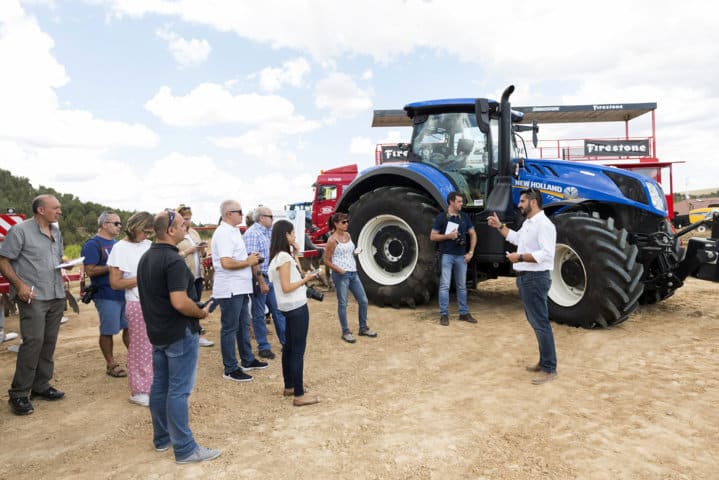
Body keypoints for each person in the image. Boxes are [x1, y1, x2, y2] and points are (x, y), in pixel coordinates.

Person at [137, 209, 220, 464]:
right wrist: (201, 313)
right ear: (171, 230)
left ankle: (162, 438)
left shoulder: (147, 257)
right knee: (178, 391)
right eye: (183, 224)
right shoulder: (172, 261)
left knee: (160, 386)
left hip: (159, 332)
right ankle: (185, 449)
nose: (187, 227)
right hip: (178, 331)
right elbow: (180, 302)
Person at [0, 195, 66, 415]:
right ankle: (19, 394)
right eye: (55, 208)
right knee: (33, 342)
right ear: (40, 210)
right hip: (33, 296)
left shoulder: (56, 231)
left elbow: (51, 259)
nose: (59, 212)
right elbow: (3, 260)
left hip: (56, 293)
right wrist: (19, 285)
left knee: (48, 342)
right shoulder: (20, 231)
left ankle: (40, 386)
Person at [488, 188, 558, 385]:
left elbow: (546, 254)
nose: (519, 205)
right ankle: (544, 362)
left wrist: (518, 257)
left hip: (535, 279)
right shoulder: (529, 223)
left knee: (541, 323)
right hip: (526, 278)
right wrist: (498, 226)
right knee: (536, 322)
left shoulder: (544, 225)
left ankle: (549, 368)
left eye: (522, 201)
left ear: (533, 202)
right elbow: (517, 239)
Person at [211, 200, 267, 382]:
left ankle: (247, 359)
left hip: (240, 287)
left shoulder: (233, 231)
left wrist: (251, 260)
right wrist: (248, 262)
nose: (243, 215)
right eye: (239, 211)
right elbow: (226, 262)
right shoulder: (223, 233)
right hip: (230, 289)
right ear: (228, 214)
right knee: (230, 327)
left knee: (243, 325)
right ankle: (230, 368)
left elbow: (237, 258)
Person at [268, 220, 320, 406]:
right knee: (297, 351)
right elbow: (287, 286)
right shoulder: (283, 258)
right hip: (296, 306)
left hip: (288, 307)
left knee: (289, 348)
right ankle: (299, 394)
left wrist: (296, 254)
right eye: (292, 233)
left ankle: (289, 385)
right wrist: (306, 278)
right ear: (285, 235)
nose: (295, 236)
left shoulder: (280, 256)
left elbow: (294, 274)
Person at [107, 212, 155, 406]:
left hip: (154, 302)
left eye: (151, 233)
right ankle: (139, 391)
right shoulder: (119, 249)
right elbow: (115, 283)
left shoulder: (149, 246)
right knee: (140, 348)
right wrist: (144, 278)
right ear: (136, 227)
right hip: (136, 303)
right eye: (146, 232)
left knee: (153, 347)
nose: (148, 236)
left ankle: (152, 385)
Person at [81, 211, 129, 378]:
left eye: (120, 223)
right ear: (104, 224)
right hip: (106, 294)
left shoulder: (117, 244)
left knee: (129, 327)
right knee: (108, 330)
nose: (120, 226)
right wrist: (112, 267)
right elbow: (90, 270)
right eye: (116, 223)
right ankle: (111, 364)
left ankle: (134, 357)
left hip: (123, 292)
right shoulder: (92, 244)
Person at [323, 212, 377, 343]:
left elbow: (347, 253)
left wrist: (355, 252)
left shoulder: (348, 235)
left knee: (363, 300)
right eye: (343, 222)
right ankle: (345, 331)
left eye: (347, 221)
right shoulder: (332, 240)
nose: (346, 224)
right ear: (336, 224)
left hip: (353, 272)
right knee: (343, 303)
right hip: (341, 275)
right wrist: (338, 269)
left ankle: (363, 328)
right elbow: (326, 260)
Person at [244, 206, 286, 359]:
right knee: (259, 313)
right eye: (270, 216)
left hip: (271, 277)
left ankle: (286, 343)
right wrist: (261, 282)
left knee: (278, 310)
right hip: (260, 278)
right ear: (261, 218)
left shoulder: (269, 232)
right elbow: (254, 261)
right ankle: (263, 346)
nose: (272, 218)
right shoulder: (252, 234)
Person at [430, 191, 478, 326]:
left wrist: (471, 252)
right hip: (446, 255)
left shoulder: (464, 217)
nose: (462, 204)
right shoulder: (441, 218)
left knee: (462, 286)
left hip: (461, 256)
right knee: (445, 285)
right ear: (451, 202)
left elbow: (473, 234)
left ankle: (464, 313)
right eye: (459, 201)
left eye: (462, 201)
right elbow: (433, 236)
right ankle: (444, 315)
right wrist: (447, 237)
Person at [176, 205, 213, 348]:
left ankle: (195, 334)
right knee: (188, 306)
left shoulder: (193, 233)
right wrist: (190, 250)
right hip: (184, 276)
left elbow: (202, 255)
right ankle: (192, 335)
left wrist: (202, 249)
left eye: (189, 218)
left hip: (197, 275)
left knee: (196, 305)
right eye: (185, 219)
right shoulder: (175, 234)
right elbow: (173, 256)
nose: (188, 221)